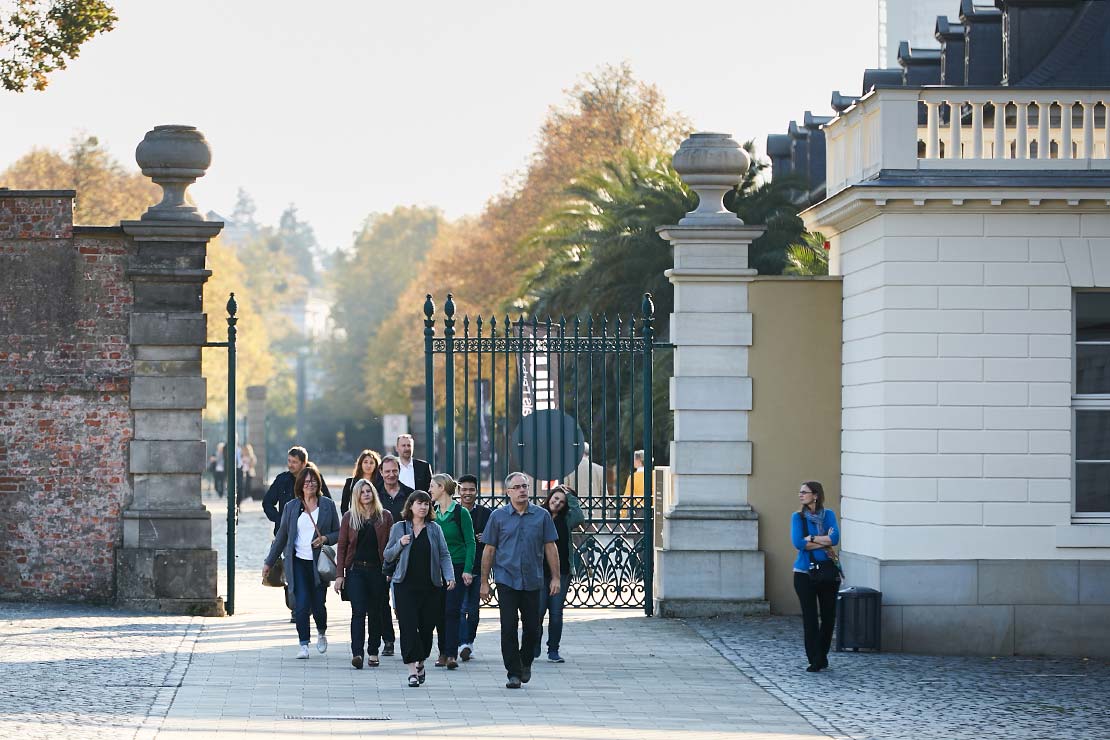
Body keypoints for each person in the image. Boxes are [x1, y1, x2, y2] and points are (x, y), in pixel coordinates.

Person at [480, 472, 560, 690]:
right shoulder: (498, 517)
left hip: (533, 579)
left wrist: (555, 577)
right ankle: (513, 672)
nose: (522, 490)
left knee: (533, 628)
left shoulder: (541, 515)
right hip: (507, 579)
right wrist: (485, 582)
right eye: (517, 487)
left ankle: (526, 661)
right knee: (508, 626)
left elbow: (550, 547)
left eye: (525, 486)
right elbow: (489, 549)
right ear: (508, 492)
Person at [262, 462, 340, 659]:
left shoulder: (328, 506)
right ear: (300, 485)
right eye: (305, 482)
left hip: (318, 564)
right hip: (296, 562)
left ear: (318, 483)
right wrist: (269, 562)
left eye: (313, 481)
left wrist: (325, 538)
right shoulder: (292, 507)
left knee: (318, 606)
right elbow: (281, 537)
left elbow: (338, 532)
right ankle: (303, 644)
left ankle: (321, 632)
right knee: (301, 604)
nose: (309, 484)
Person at [383, 490, 455, 688]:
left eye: (426, 504)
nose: (423, 507)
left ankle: (421, 661)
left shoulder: (434, 529)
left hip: (430, 586)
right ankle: (412, 672)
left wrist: (449, 576)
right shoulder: (400, 528)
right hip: (404, 585)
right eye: (419, 503)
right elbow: (387, 555)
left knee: (425, 628)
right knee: (407, 627)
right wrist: (400, 543)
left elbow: (444, 555)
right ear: (411, 506)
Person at [334, 479, 393, 669]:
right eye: (362, 492)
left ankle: (373, 651)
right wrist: (339, 575)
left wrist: (389, 570)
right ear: (356, 496)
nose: (366, 494)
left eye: (369, 491)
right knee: (358, 612)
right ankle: (357, 652)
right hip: (356, 571)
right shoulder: (349, 517)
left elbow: (391, 545)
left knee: (375, 612)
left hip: (377, 570)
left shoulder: (384, 516)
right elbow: (342, 547)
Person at [791, 480, 841, 673]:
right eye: (800, 492)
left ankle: (823, 654)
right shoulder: (797, 518)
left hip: (828, 572)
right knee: (810, 618)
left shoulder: (828, 515)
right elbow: (798, 543)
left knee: (828, 617)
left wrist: (811, 538)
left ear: (816, 495)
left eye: (805, 492)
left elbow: (835, 538)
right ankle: (814, 659)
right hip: (804, 573)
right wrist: (824, 541)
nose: (801, 495)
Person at [429, 473, 475, 669]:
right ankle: (441, 651)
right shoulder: (433, 512)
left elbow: (470, 543)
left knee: (452, 610)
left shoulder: (460, 513)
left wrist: (467, 569)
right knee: (438, 611)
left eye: (432, 486)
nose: (429, 490)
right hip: (436, 568)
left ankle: (451, 654)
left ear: (442, 488)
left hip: (455, 566)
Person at [375, 454, 413, 656]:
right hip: (381, 554)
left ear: (399, 471)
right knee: (382, 601)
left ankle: (408, 638)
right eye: (387, 471)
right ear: (381, 473)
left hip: (406, 553)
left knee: (404, 601)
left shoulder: (410, 494)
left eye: (394, 471)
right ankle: (388, 639)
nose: (391, 475)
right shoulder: (375, 495)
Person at [535, 485, 573, 663]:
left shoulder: (568, 519)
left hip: (562, 572)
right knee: (538, 610)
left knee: (556, 613)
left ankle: (553, 649)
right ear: (549, 497)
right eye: (555, 498)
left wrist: (569, 495)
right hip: (540, 572)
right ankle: (534, 645)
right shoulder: (538, 515)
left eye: (562, 501)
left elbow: (580, 515)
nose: (557, 503)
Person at [456, 473, 490, 662]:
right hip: (458, 567)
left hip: (478, 567)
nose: (467, 493)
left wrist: (485, 537)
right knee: (461, 608)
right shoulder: (452, 511)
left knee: (474, 610)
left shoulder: (486, 514)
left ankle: (470, 641)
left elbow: (494, 538)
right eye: (464, 490)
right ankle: (463, 644)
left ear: (477, 491)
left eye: (471, 490)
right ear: (459, 491)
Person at [263, 446, 332, 534]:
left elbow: (327, 505)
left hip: (309, 532)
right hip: (285, 533)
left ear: (303, 463)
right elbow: (267, 502)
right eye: (289, 461)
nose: (290, 465)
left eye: (294, 462)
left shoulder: (316, 479)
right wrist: (280, 520)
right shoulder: (281, 479)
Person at [562, 441, 607, 517]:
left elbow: (564, 492)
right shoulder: (600, 469)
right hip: (594, 512)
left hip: (574, 512)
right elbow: (604, 494)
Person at [341, 449, 382, 514]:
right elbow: (344, 506)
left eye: (371, 463)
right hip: (356, 520)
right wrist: (349, 520)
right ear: (361, 464)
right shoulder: (350, 483)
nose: (368, 465)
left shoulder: (381, 483)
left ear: (376, 465)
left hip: (376, 519)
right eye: (365, 462)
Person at [621, 449, 645, 520]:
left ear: (638, 461)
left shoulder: (633, 477)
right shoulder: (653, 475)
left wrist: (623, 513)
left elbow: (627, 496)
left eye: (634, 459)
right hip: (651, 508)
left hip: (637, 509)